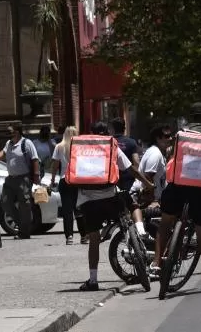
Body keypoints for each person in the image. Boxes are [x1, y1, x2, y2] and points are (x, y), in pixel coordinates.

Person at [151, 103, 201, 292]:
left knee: (165, 222)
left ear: (191, 116)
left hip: (178, 186)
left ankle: (156, 263)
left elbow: (172, 157)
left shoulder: (181, 133)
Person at [74, 122, 154, 291]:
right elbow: (131, 169)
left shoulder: (80, 148)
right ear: (107, 133)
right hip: (110, 197)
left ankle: (93, 280)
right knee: (128, 208)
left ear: (92, 133)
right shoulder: (111, 146)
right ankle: (133, 233)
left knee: (94, 240)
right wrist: (147, 183)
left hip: (88, 201)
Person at [0, 123, 40, 239]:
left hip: (23, 179)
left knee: (25, 205)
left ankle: (24, 232)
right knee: (5, 202)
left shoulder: (27, 143)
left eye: (10, 131)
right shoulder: (8, 143)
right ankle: (22, 225)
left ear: (17, 131)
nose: (8, 133)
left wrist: (36, 175)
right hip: (10, 179)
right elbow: (3, 153)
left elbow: (35, 159)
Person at [130, 125, 173, 242]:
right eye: (167, 136)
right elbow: (148, 178)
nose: (170, 138)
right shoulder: (155, 154)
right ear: (158, 138)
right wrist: (152, 200)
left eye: (171, 135)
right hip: (144, 197)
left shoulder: (158, 152)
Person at [49, 126, 83, 245]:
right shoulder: (80, 147)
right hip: (78, 180)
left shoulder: (59, 147)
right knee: (79, 209)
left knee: (67, 211)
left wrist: (53, 179)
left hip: (65, 179)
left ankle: (69, 236)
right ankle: (84, 235)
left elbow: (55, 165)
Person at [110, 118, 141, 191]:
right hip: (128, 180)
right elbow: (136, 163)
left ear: (112, 129)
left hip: (113, 180)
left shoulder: (109, 143)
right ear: (124, 128)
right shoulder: (131, 142)